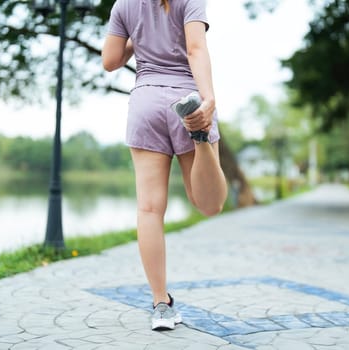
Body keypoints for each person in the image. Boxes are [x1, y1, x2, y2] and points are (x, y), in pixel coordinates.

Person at [101, 0, 227, 331]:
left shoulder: (123, 5)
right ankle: (199, 136)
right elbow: (195, 48)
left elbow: (110, 60)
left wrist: (137, 37)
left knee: (149, 210)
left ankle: (161, 303)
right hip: (185, 97)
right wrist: (208, 99)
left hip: (145, 101)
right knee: (210, 205)